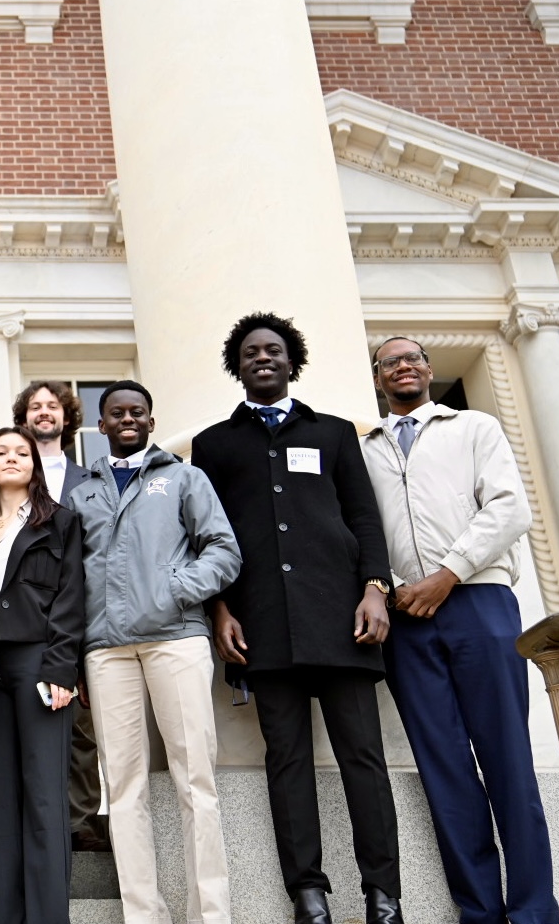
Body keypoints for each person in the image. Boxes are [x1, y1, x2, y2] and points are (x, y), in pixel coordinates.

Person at [191, 312, 401, 924]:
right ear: (239, 365)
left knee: (364, 758)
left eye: (274, 349)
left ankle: (383, 895)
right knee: (286, 762)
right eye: (251, 351)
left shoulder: (335, 433)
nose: (263, 356)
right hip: (262, 627)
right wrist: (219, 609)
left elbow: (365, 519)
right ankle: (308, 895)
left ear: (291, 361)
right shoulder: (213, 445)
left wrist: (375, 590)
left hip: (344, 620)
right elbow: (209, 536)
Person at [362, 338, 559, 924]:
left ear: (428, 370)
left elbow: (508, 509)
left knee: (508, 761)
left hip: (479, 602)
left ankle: (532, 912)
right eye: (390, 361)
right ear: (378, 379)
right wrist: (396, 585)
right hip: (406, 618)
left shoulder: (474, 428)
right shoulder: (364, 449)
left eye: (413, 358)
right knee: (443, 770)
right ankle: (478, 912)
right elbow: (361, 528)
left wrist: (446, 576)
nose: (403, 366)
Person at [69, 382, 241, 924]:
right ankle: (144, 914)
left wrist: (175, 590)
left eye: (137, 412)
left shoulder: (184, 477)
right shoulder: (82, 494)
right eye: (116, 412)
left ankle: (210, 914)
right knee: (122, 786)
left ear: (150, 419)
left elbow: (223, 548)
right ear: (101, 426)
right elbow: (70, 575)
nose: (127, 419)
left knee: (196, 779)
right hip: (106, 649)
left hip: (176, 639)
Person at [0, 427, 84, 924]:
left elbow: (71, 596)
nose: (12, 458)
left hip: (39, 662)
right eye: (1, 452)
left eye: (22, 452)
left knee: (42, 793)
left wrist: (62, 666)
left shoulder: (59, 522)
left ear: (36, 465)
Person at [11, 379, 104, 852]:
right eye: (35, 407)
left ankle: (81, 819)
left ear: (67, 418)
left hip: (78, 609)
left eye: (52, 406)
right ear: (23, 418)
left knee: (80, 724)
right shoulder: (11, 477)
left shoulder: (88, 480)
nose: (44, 413)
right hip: (26, 616)